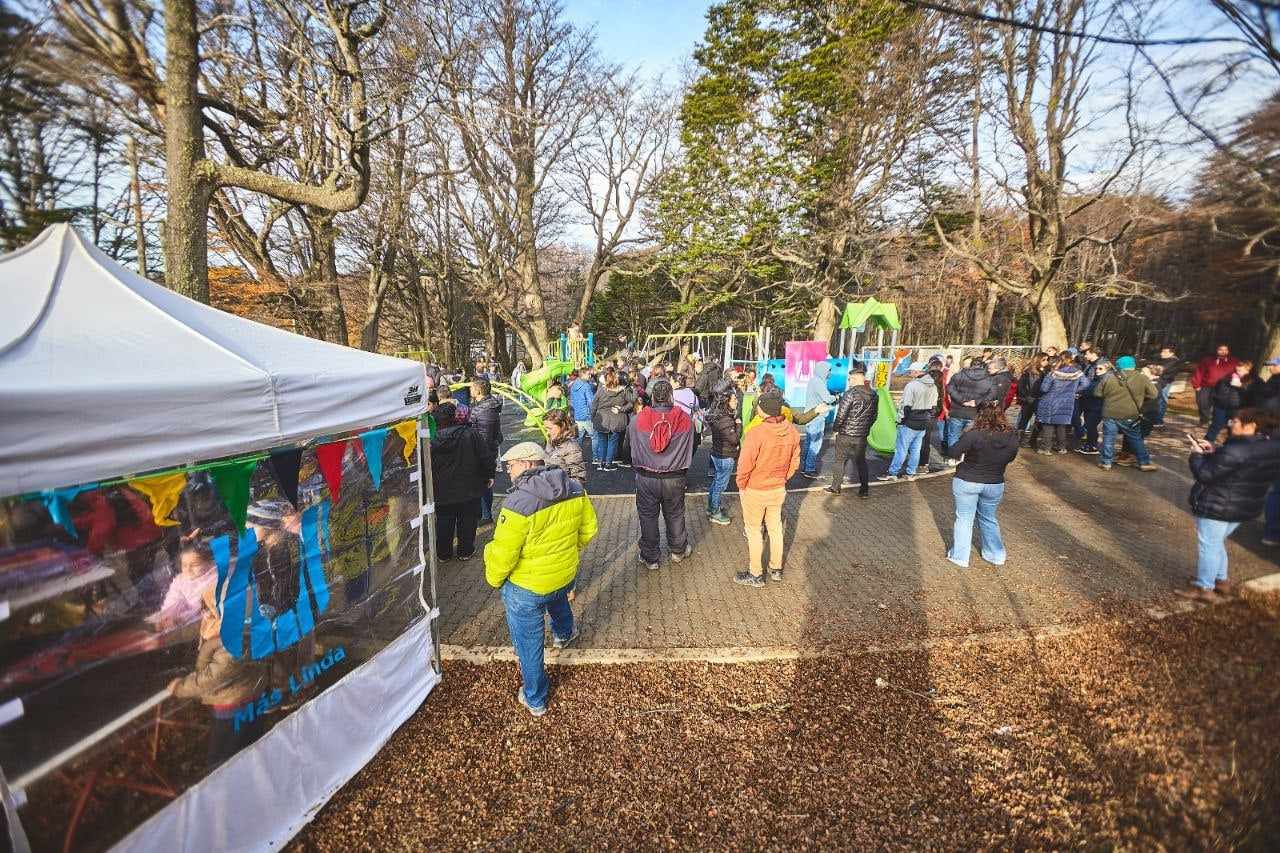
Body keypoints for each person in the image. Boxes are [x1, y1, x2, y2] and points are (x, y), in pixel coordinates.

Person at [484, 442, 598, 716]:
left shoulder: (517, 503)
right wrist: (569, 553)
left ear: (527, 463)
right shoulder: (574, 488)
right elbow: (589, 529)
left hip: (527, 587)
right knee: (558, 596)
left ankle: (535, 698)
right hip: (563, 573)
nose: (508, 471)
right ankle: (565, 633)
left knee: (529, 643)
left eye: (510, 465)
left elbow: (503, 555)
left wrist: (494, 579)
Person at [168, 549, 267, 769]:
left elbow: (216, 676)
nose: (204, 616)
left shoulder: (232, 637)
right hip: (247, 694)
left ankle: (227, 792)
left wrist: (181, 688)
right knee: (252, 747)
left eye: (210, 611)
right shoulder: (229, 623)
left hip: (233, 703)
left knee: (222, 758)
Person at [1178, 409, 1280, 601]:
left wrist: (1197, 456)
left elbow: (1205, 474)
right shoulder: (1267, 447)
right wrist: (1215, 452)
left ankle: (1204, 588)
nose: (1231, 424)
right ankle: (1221, 580)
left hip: (1218, 505)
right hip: (1243, 507)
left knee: (1208, 546)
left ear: (1250, 425)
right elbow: (1235, 467)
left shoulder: (1235, 450)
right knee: (1216, 543)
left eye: (1236, 421)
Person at [628, 379, 696, 570]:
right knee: (675, 515)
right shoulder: (685, 420)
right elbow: (693, 445)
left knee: (648, 517)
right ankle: (678, 551)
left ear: (652, 397)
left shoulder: (638, 420)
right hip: (675, 477)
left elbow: (628, 447)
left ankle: (651, 558)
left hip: (646, 477)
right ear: (671, 396)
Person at [733, 394, 799, 587]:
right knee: (775, 528)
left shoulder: (757, 433)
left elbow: (745, 464)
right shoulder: (792, 431)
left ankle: (756, 574)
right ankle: (776, 569)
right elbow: (795, 461)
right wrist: (783, 478)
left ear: (763, 409)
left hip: (756, 488)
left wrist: (741, 484)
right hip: (778, 488)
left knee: (754, 531)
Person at [946, 402, 1019, 568]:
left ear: (979, 415)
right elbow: (1011, 457)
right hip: (995, 482)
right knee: (988, 518)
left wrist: (965, 437)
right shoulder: (1012, 435)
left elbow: (953, 452)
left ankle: (960, 557)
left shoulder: (974, 434)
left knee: (964, 519)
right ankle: (996, 554)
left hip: (968, 480)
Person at [431, 402, 495, 561]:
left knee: (444, 522)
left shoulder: (431, 438)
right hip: (469, 487)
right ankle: (465, 551)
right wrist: (489, 475)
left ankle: (443, 554)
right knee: (467, 520)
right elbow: (485, 457)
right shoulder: (470, 434)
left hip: (442, 489)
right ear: (455, 417)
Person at [1093, 355, 1159, 472]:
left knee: (1108, 437)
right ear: (1133, 365)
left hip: (1110, 413)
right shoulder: (1142, 378)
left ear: (1118, 366)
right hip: (1130, 414)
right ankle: (1144, 462)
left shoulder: (1109, 377)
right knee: (1136, 439)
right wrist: (1141, 397)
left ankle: (1106, 462)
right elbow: (1154, 394)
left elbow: (1097, 393)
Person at [879, 365, 938, 482]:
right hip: (924, 421)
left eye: (911, 371)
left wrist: (900, 420)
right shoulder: (933, 386)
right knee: (916, 449)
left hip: (910, 421)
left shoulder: (912, 386)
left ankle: (892, 473)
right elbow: (934, 407)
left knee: (901, 449)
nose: (909, 373)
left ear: (917, 371)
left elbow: (906, 406)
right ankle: (911, 473)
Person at [825, 367, 876, 497]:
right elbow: (874, 416)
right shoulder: (873, 394)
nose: (849, 381)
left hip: (845, 434)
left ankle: (835, 487)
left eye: (850, 379)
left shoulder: (850, 394)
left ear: (855, 378)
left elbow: (841, 415)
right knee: (861, 462)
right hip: (862, 435)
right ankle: (864, 490)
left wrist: (835, 429)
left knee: (839, 460)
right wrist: (865, 428)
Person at [1031, 353, 1088, 455]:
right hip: (1067, 402)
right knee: (1061, 425)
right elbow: (1086, 384)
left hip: (1050, 401)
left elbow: (1044, 388)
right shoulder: (1078, 373)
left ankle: (1046, 448)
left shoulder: (1053, 373)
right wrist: (1074, 391)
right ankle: (1061, 447)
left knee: (1048, 425)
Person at [944, 356, 998, 463]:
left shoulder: (959, 375)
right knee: (972, 437)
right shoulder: (990, 379)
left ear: (972, 364)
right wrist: (977, 402)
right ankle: (966, 457)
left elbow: (949, 388)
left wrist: (961, 400)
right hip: (975, 412)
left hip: (957, 410)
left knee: (953, 435)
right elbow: (992, 394)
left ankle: (953, 458)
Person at [704, 379, 741, 524]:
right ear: (726, 401)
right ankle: (715, 512)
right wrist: (738, 425)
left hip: (718, 453)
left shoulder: (718, 414)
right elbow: (734, 439)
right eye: (734, 399)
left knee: (717, 481)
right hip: (725, 455)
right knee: (720, 484)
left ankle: (712, 507)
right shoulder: (726, 419)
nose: (736, 401)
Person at [468, 378, 503, 524]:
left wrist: (480, 452)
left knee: (482, 481)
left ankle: (485, 514)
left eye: (472, 388)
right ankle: (484, 512)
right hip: (487, 449)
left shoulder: (483, 409)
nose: (470, 390)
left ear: (478, 390)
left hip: (483, 450)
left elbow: (485, 435)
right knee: (485, 480)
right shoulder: (488, 405)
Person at [590, 367, 634, 472]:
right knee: (612, 442)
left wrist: (593, 417)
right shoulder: (623, 391)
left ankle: (601, 463)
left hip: (602, 419)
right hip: (616, 419)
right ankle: (608, 464)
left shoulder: (601, 390)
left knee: (602, 441)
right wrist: (622, 409)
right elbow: (631, 402)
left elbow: (594, 405)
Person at [799, 361, 836, 479]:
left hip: (810, 416)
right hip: (817, 417)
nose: (830, 373)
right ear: (823, 370)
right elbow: (827, 398)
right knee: (815, 444)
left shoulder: (814, 380)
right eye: (829, 370)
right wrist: (835, 397)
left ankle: (804, 467)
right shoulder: (819, 382)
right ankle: (809, 469)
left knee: (808, 442)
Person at [1206, 360, 1256, 444]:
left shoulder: (1252, 382)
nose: (1237, 372)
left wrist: (1241, 386)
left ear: (1248, 371)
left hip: (1237, 409)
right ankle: (1207, 442)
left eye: (1240, 371)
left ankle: (1228, 445)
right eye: (1236, 370)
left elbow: (1252, 396)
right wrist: (1215, 400)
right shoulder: (1227, 378)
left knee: (1232, 428)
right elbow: (1217, 389)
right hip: (1221, 406)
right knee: (1216, 425)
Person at [1190, 344, 1240, 426]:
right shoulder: (1207, 360)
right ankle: (1204, 419)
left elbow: (1239, 372)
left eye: (1225, 350)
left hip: (1224, 387)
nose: (1223, 352)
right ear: (1217, 350)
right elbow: (1199, 372)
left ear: (1228, 351)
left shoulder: (1234, 361)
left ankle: (1216, 422)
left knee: (1219, 405)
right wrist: (1196, 384)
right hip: (1206, 385)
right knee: (1202, 402)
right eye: (1221, 349)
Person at [543, 408, 587, 488]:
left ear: (562, 426)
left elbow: (578, 479)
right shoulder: (551, 442)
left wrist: (558, 491)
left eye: (550, 428)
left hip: (562, 493)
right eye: (546, 429)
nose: (547, 432)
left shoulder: (571, 447)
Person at [1015, 353, 1049, 442]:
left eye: (1047, 360)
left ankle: (1033, 440)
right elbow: (1021, 386)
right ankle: (1019, 439)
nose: (1046, 362)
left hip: (1039, 400)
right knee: (1024, 419)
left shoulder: (1044, 372)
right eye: (1044, 360)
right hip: (1028, 400)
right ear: (1038, 360)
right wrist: (1027, 397)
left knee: (1039, 420)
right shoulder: (1027, 372)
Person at [1152, 345, 1182, 426]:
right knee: (1156, 400)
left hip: (1165, 382)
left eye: (1164, 352)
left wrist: (1155, 369)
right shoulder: (1162, 359)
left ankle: (1159, 420)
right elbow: (1152, 367)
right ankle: (1155, 418)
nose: (1162, 353)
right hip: (1158, 381)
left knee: (1162, 400)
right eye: (1162, 351)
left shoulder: (1174, 361)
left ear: (1171, 353)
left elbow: (1159, 369)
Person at [569, 367, 597, 443]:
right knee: (594, 437)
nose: (590, 376)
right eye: (588, 374)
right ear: (583, 374)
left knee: (580, 437)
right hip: (586, 415)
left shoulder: (573, 385)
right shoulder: (586, 386)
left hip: (577, 415)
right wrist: (593, 413)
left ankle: (578, 454)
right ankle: (596, 455)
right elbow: (591, 402)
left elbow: (571, 400)